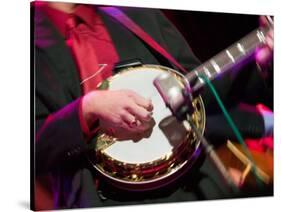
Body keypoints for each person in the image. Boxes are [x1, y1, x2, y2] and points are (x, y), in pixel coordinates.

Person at [32, 1, 273, 210]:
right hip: (107, 200)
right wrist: (87, 109)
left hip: (197, 183)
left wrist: (258, 62)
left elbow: (201, 94)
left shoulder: (134, 13)